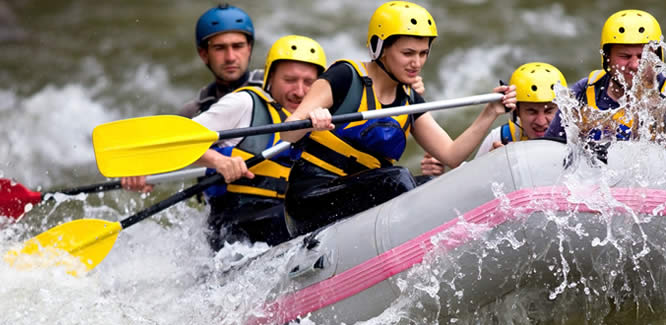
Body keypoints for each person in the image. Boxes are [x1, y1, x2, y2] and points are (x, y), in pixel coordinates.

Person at [279, 1, 516, 237]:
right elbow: (288, 132)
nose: (417, 63)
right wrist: (311, 119)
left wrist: (490, 112)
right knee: (398, 180)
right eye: (407, 53)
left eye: (423, 53)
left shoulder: (409, 100)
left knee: (431, 184)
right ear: (379, 48)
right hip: (311, 199)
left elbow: (451, 155)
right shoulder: (345, 77)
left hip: (362, 196)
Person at [544, 9, 666, 176]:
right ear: (607, 59)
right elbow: (550, 152)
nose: (635, 65)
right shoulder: (583, 94)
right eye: (625, 56)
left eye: (642, 57)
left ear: (657, 58)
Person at [190, 35, 327, 249]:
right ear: (270, 78)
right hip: (235, 227)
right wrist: (218, 161)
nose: (299, 91)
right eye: (290, 80)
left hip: (287, 219)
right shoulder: (244, 104)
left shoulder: (322, 119)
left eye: (309, 83)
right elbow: (180, 141)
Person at [122, 4, 260, 192]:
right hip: (222, 211)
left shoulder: (276, 89)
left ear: (249, 48)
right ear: (204, 54)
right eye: (220, 48)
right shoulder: (194, 112)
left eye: (238, 46)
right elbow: (161, 156)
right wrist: (141, 173)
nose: (230, 57)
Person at [473, 62, 567, 157]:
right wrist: (492, 162)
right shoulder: (499, 137)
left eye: (549, 111)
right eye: (532, 111)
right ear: (517, 111)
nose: (541, 122)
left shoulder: (576, 137)